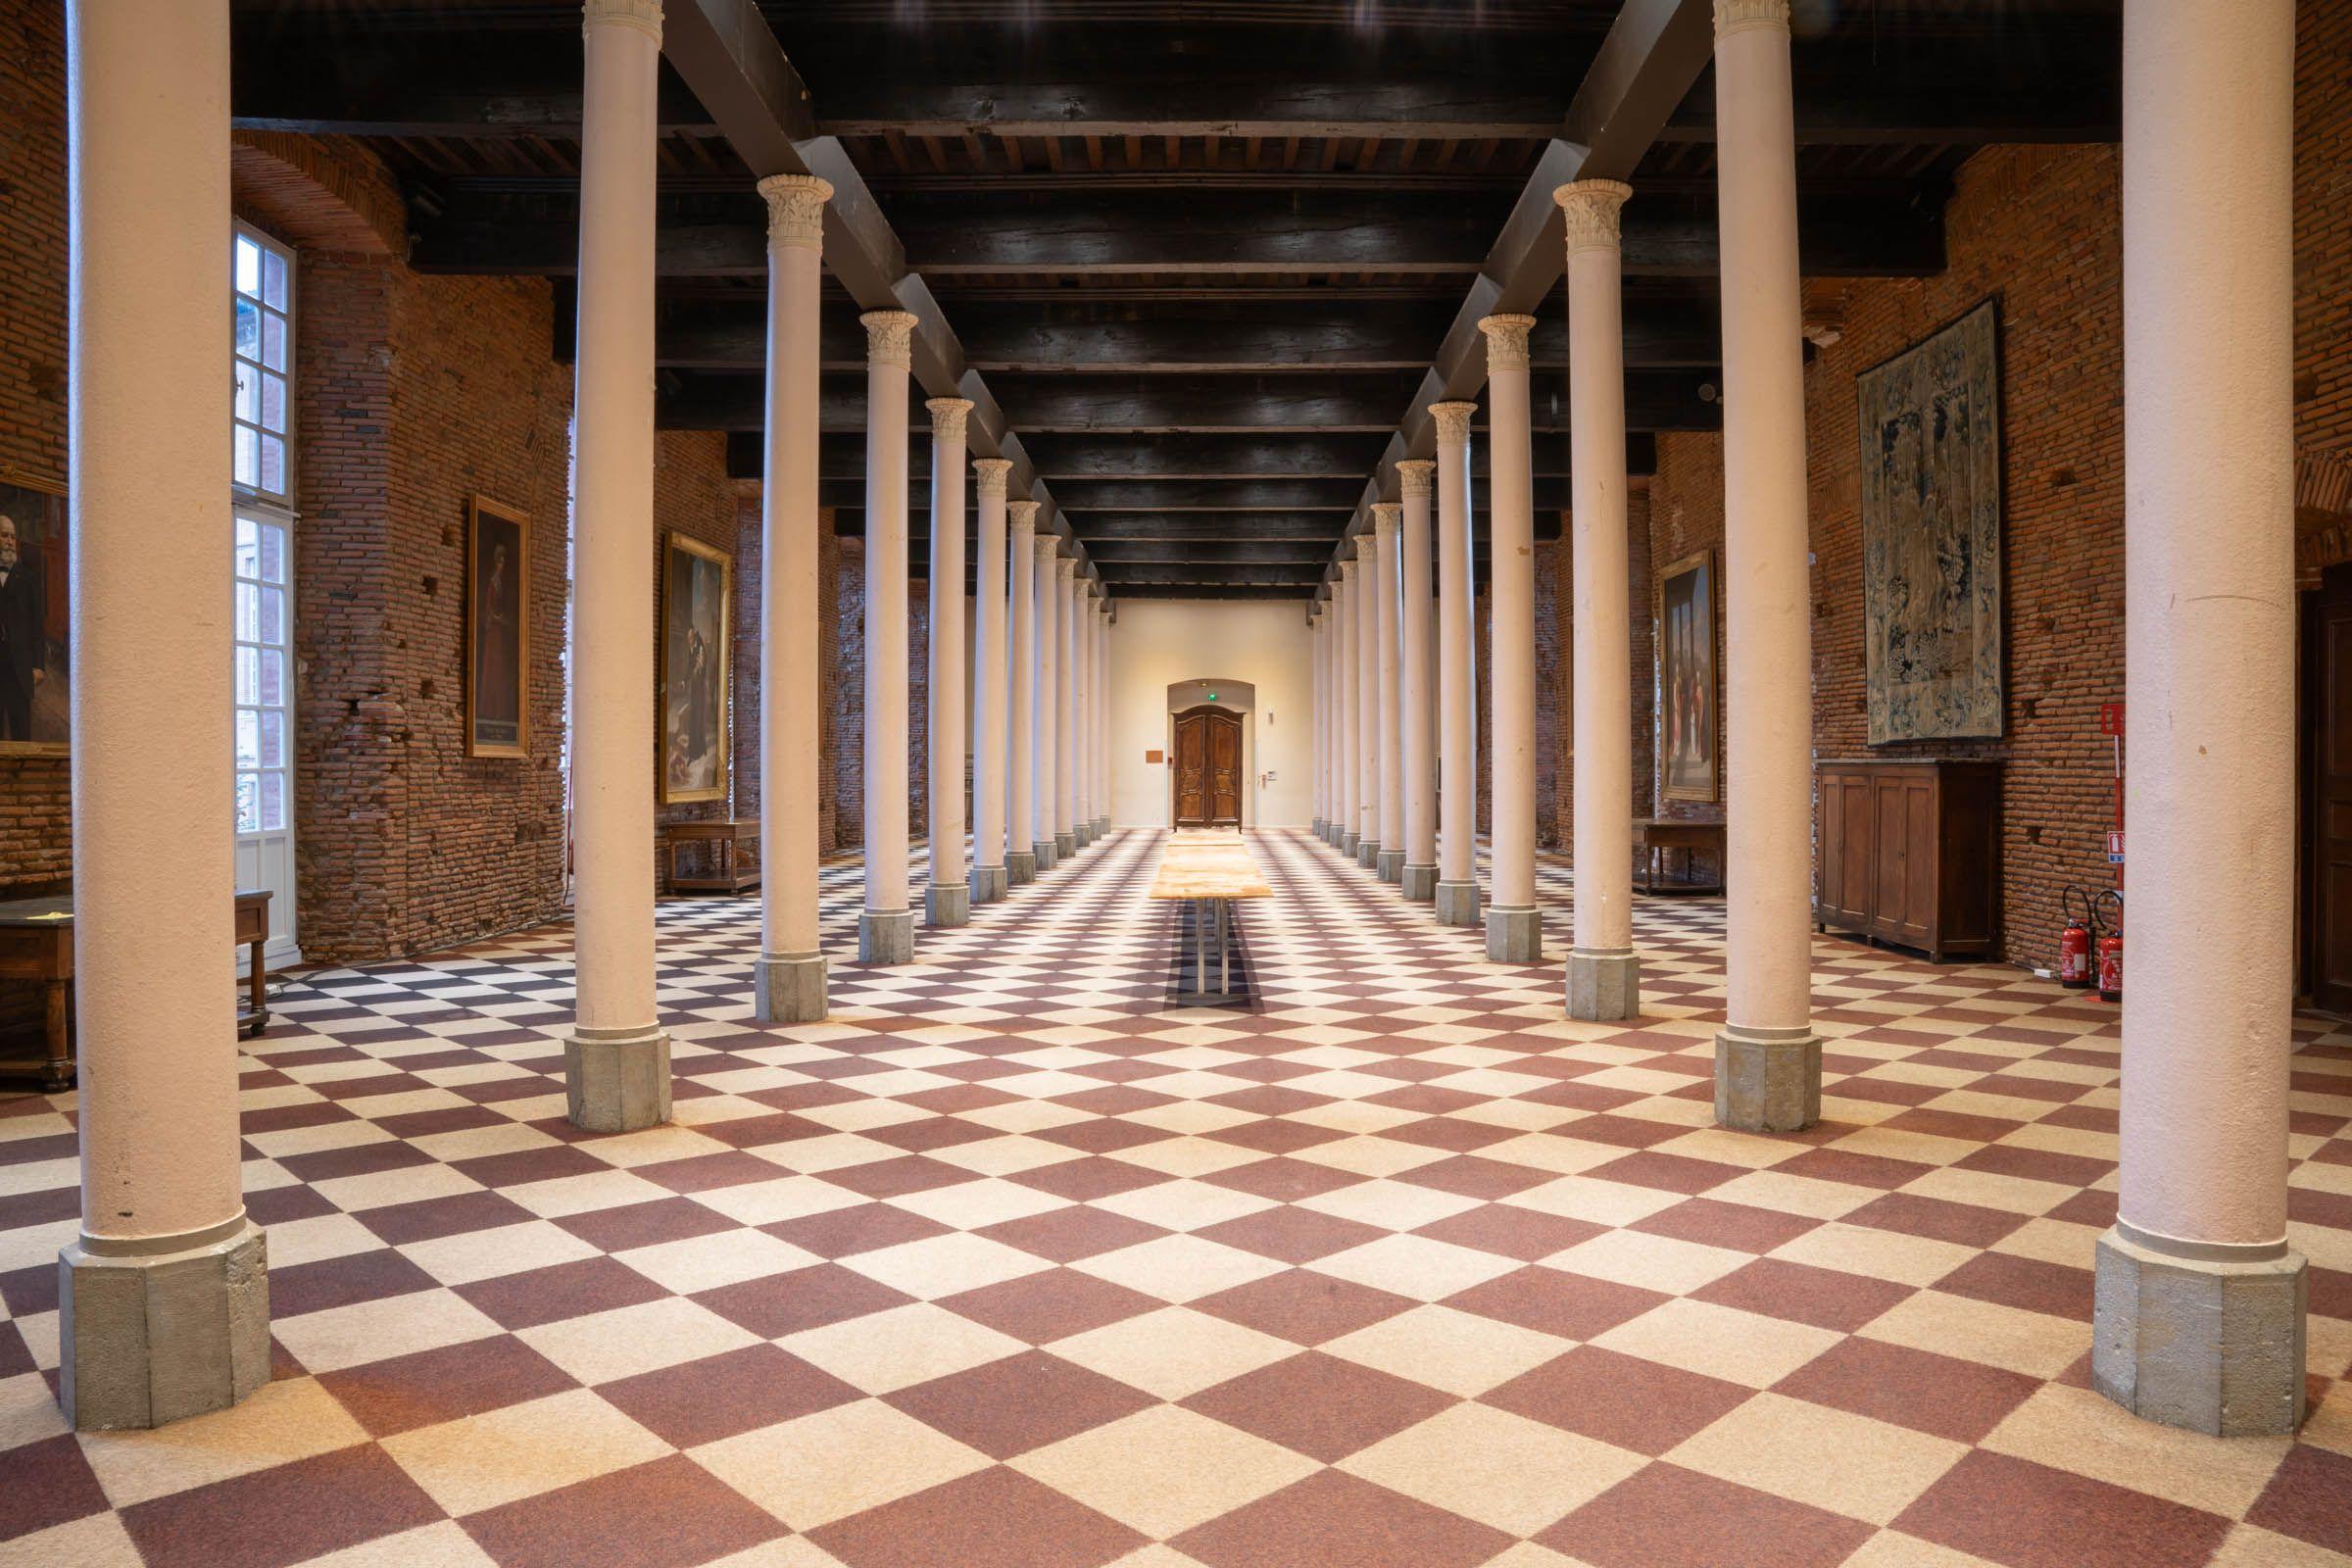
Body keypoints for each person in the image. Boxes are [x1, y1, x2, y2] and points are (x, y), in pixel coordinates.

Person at [0, 514, 45, 743]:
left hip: (19, 666)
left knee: (21, 732)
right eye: (4, 535)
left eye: (12, 536)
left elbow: (37, 626)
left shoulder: (28, 579)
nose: (9, 541)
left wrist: (38, 665)